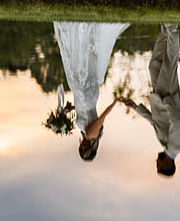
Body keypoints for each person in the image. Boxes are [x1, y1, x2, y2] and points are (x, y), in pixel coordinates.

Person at [53, 21, 130, 161]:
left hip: (82, 97)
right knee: (81, 67)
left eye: (80, 149)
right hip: (86, 95)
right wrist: (115, 102)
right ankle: (83, 31)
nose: (81, 147)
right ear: (90, 148)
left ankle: (82, 33)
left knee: (79, 65)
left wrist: (67, 111)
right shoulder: (91, 135)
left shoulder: (85, 133)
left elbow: (85, 113)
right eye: (83, 149)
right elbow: (101, 118)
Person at [124, 24, 180, 177]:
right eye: (158, 166)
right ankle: (172, 27)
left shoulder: (164, 144)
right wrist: (167, 101)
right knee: (170, 62)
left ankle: (164, 31)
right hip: (168, 96)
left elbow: (154, 122)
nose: (156, 163)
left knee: (154, 65)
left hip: (159, 96)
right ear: (167, 165)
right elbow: (176, 121)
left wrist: (135, 107)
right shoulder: (178, 146)